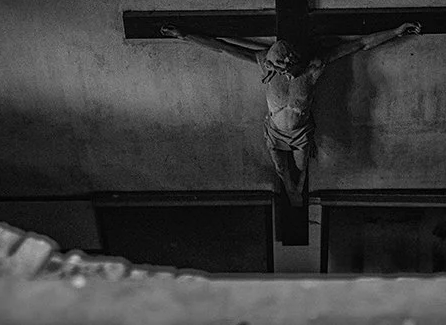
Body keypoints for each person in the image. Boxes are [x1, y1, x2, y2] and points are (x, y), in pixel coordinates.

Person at [159, 22, 422, 203]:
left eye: (287, 68)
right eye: (276, 67)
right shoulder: (264, 63)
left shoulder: (314, 67)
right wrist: (184, 35)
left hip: (300, 133)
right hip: (274, 132)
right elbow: (221, 47)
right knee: (282, 172)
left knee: (300, 168)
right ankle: (291, 194)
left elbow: (362, 43)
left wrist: (397, 31)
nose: (283, 73)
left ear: (297, 60)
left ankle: (298, 193)